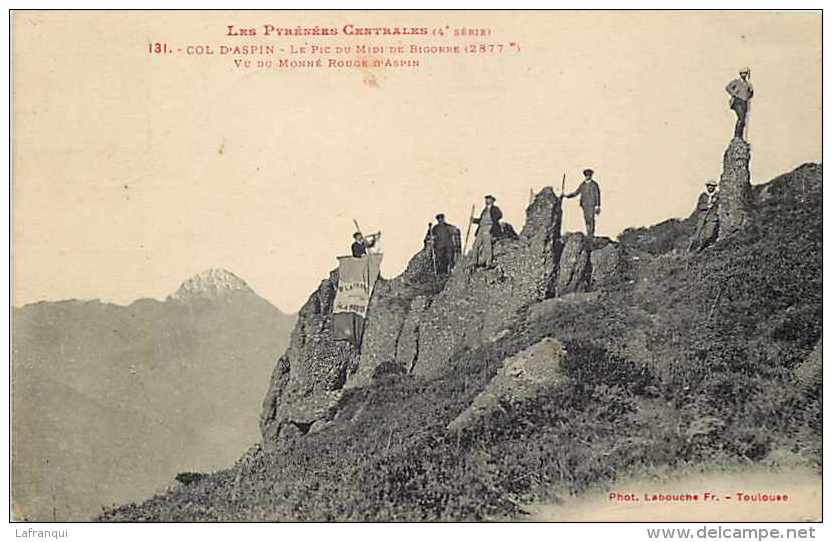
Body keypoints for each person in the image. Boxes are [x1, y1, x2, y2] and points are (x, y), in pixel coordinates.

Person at [564, 169, 602, 239]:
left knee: (591, 219)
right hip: (584, 205)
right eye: (586, 175)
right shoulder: (583, 184)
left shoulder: (594, 184)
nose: (587, 177)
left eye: (589, 175)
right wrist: (567, 196)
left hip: (591, 205)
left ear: (591, 176)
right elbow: (576, 192)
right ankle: (588, 233)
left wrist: (598, 206)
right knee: (586, 219)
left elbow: (597, 195)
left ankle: (591, 234)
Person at [471, 195, 502, 268]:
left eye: (488, 199)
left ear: (492, 201)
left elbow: (500, 215)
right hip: (481, 228)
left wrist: (493, 221)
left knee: (487, 245)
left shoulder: (495, 209)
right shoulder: (484, 210)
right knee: (476, 245)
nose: (486, 201)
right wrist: (474, 220)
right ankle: (474, 262)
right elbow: (481, 220)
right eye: (486, 199)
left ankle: (489, 263)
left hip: (488, 228)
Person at [688, 181, 720, 253]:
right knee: (697, 234)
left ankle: (703, 247)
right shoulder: (703, 196)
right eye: (709, 186)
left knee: (709, 234)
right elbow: (699, 206)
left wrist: (715, 203)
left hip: (712, 217)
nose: (710, 187)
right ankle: (692, 250)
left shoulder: (718, 195)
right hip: (702, 217)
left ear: (714, 187)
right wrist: (707, 206)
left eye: (712, 186)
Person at [726, 67, 754, 140]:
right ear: (740, 74)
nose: (744, 75)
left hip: (744, 102)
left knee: (743, 120)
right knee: (741, 118)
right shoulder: (736, 82)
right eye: (743, 73)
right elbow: (728, 87)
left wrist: (750, 91)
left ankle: (740, 136)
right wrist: (734, 93)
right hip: (737, 101)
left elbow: (750, 95)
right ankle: (737, 136)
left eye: (745, 73)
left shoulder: (748, 84)